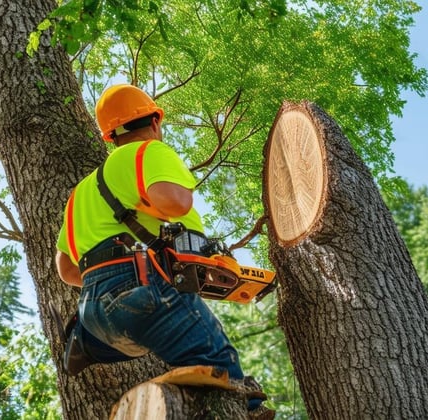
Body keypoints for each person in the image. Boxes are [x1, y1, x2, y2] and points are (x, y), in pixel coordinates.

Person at [54, 84, 271, 417]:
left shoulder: (78, 195)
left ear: (109, 136)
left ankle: (87, 341)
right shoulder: (148, 151)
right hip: (144, 287)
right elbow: (176, 201)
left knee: (137, 330)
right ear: (155, 121)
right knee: (219, 362)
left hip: (95, 309)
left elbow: (67, 271)